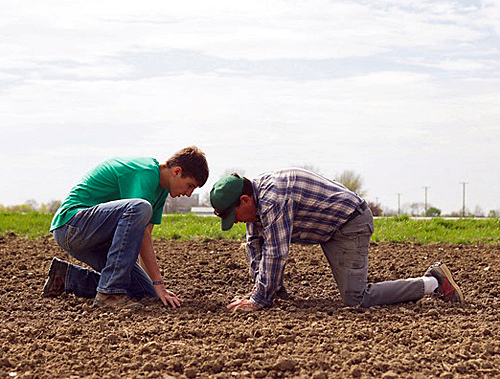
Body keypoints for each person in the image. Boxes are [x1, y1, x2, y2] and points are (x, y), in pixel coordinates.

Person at [210, 168, 464, 312]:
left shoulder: (273, 199)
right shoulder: (254, 202)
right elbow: (256, 247)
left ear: (245, 200)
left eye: (236, 216)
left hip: (349, 224)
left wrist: (258, 301)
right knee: (265, 275)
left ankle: (434, 282)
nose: (238, 222)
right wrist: (262, 289)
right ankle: (273, 290)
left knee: (357, 299)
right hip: (328, 227)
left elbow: (276, 252)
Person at [43, 146, 209, 310]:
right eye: (190, 185)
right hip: (72, 225)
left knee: (145, 292)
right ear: (177, 171)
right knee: (140, 207)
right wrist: (159, 282)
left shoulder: (161, 191)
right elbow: (138, 220)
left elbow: (144, 238)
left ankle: (66, 277)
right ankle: (109, 294)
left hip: (96, 236)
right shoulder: (146, 172)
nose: (188, 194)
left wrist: (154, 287)